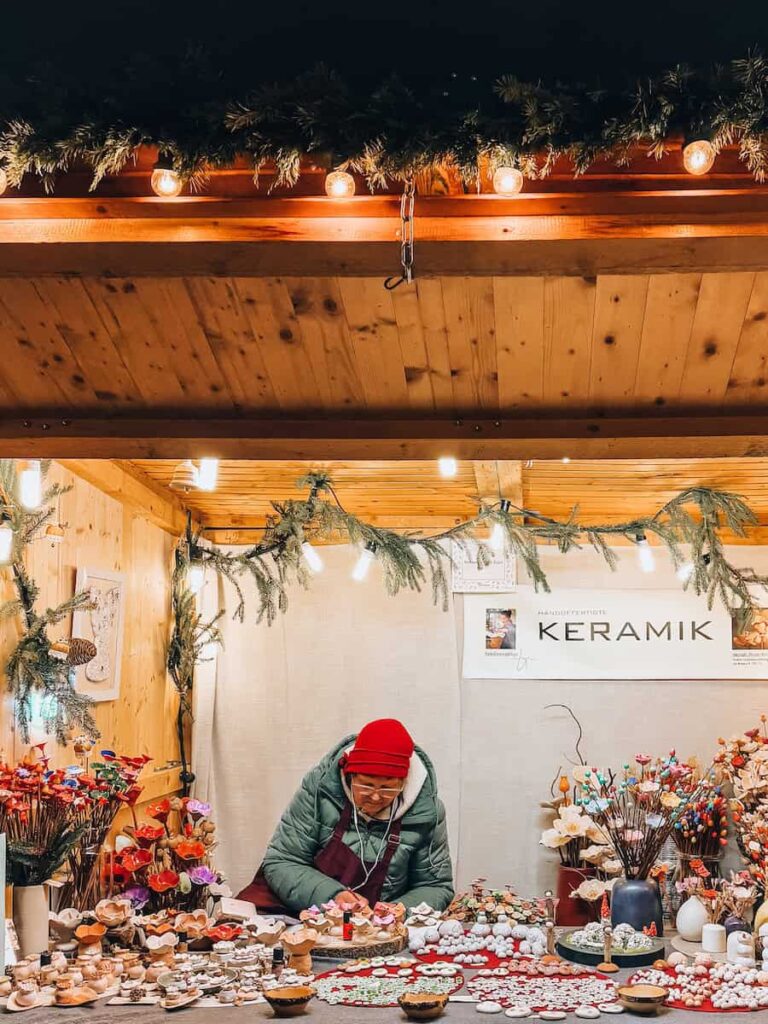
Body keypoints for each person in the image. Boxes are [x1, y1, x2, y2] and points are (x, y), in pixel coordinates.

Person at [239, 718, 454, 915]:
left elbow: (435, 886)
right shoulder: (319, 793)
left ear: (405, 783)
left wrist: (399, 910)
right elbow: (283, 861)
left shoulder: (426, 813)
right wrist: (333, 897)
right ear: (349, 773)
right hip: (301, 910)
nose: (376, 797)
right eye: (366, 785)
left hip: (376, 927)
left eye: (388, 788)